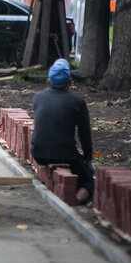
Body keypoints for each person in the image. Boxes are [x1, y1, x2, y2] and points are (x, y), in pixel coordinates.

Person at [30, 59, 94, 205]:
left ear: (48, 81)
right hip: (66, 155)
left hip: (38, 153)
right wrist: (88, 159)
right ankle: (75, 201)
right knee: (89, 180)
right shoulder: (77, 102)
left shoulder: (38, 98)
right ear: (70, 82)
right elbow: (84, 134)